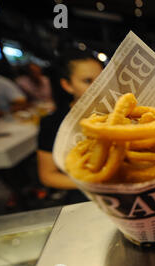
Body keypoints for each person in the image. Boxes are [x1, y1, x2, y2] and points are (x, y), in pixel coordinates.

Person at [37, 49, 103, 204]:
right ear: (67, 85)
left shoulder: (120, 111)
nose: (97, 87)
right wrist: (96, 183)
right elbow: (47, 175)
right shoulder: (53, 123)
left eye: (101, 79)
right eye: (87, 81)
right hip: (83, 195)